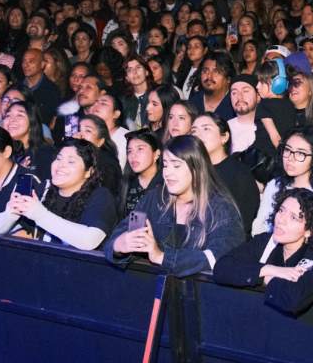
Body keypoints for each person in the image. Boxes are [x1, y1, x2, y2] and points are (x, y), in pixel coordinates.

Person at [107, 135, 245, 277]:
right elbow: (121, 234)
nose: (167, 172)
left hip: (202, 294)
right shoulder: (154, 198)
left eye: (176, 165)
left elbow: (219, 256)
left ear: (197, 168)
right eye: (165, 165)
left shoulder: (221, 208)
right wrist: (119, 245)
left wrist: (161, 257)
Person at [213, 188, 313, 315]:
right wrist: (269, 269)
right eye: (281, 210)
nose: (281, 220)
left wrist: (268, 279)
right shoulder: (265, 242)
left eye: (293, 217)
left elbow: (293, 299)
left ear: (309, 231)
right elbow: (222, 268)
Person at [0, 138, 117, 251]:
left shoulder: (100, 196)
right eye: (59, 158)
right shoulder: (43, 189)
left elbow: (89, 241)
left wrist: (40, 215)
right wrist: (11, 213)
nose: (61, 165)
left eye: (71, 162)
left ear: (88, 172)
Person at [252, 127, 313, 235]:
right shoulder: (274, 185)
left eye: (300, 153)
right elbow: (259, 227)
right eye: (287, 150)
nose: (290, 158)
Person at [191, 113, 259, 235]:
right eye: (194, 131)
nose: (198, 135)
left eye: (206, 128)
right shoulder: (190, 171)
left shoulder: (239, 173)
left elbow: (242, 222)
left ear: (224, 137)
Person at [73, 114, 123, 194]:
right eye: (79, 130)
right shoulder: (75, 157)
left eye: (88, 131)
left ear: (100, 141)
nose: (80, 135)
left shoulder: (107, 164)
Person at [119, 131, 162, 218]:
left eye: (140, 149)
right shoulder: (126, 184)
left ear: (156, 154)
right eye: (129, 151)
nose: (133, 156)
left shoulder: (166, 184)